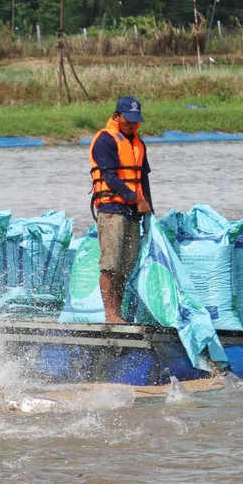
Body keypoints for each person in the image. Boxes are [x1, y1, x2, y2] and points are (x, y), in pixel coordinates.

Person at [88, 96, 153, 323]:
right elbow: (110, 176)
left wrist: (148, 207)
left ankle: (119, 314)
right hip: (112, 209)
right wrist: (135, 199)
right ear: (116, 116)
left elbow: (142, 178)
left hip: (133, 211)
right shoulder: (105, 140)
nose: (132, 126)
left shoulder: (138, 143)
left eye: (136, 122)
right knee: (110, 265)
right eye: (128, 121)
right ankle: (110, 315)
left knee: (124, 267)